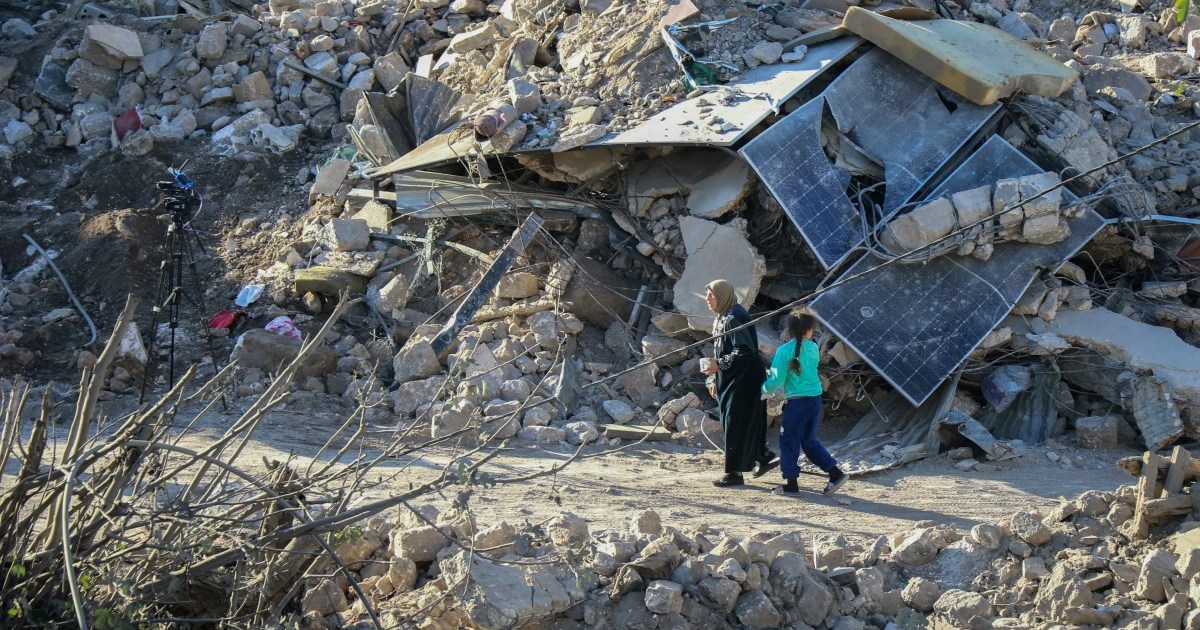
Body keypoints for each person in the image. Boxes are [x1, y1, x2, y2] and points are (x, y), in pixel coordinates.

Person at [761, 307, 847, 496]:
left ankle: (791, 484)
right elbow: (800, 363)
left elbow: (776, 380)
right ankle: (835, 473)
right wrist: (776, 360)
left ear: (789, 330)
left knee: (788, 441)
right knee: (809, 441)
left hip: (797, 404)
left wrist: (762, 390)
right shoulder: (813, 348)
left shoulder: (784, 351)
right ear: (810, 329)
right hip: (814, 401)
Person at [700, 279, 778, 487]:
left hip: (744, 380)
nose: (707, 299)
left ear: (723, 296)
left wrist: (719, 365)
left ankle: (734, 473)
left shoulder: (734, 318)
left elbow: (745, 351)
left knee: (735, 424)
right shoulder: (723, 317)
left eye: (711, 295)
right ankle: (764, 457)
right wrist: (714, 377)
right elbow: (724, 351)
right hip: (732, 379)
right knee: (741, 422)